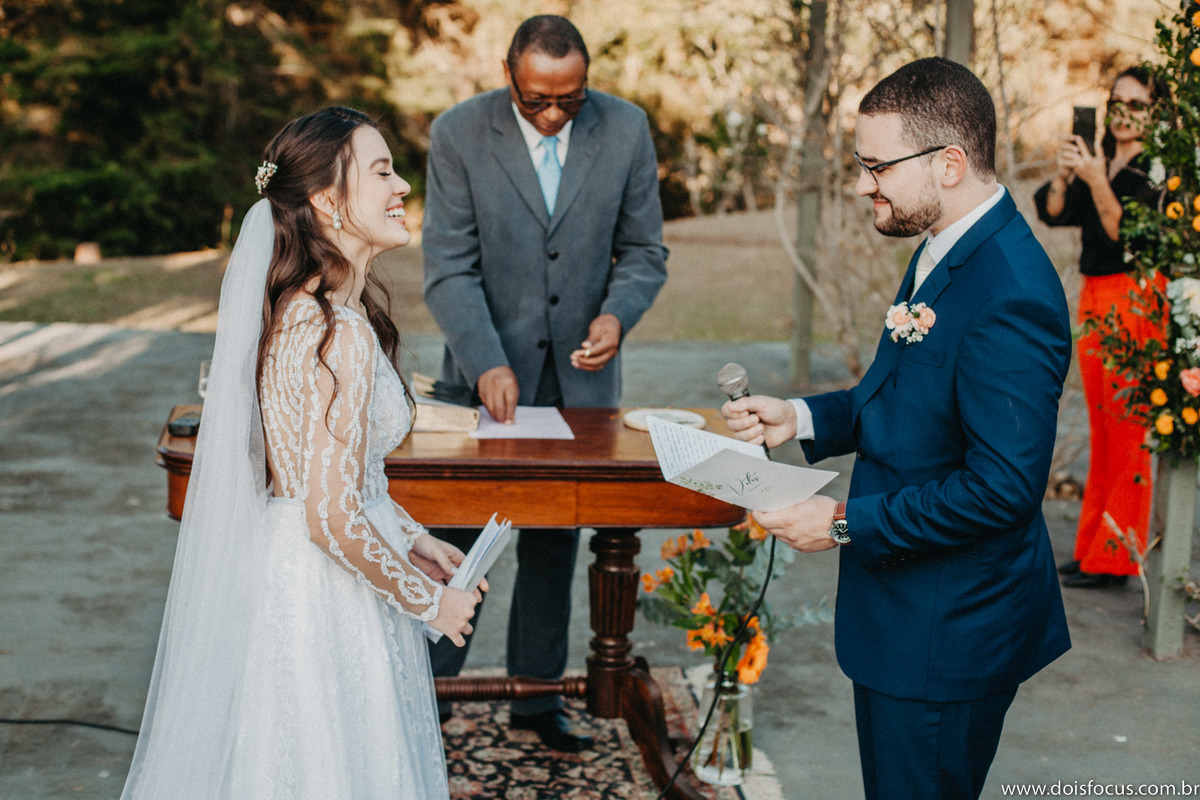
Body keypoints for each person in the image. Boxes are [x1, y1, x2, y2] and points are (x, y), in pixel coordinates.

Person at [722, 58, 1072, 800]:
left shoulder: (1010, 292)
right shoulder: (943, 246)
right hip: (905, 622)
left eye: (875, 165)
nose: (860, 185)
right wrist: (801, 417)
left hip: (947, 636)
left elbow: (1002, 490)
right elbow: (905, 397)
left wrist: (843, 521)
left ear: (949, 164)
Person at [120, 107, 482, 799]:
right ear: (325, 199)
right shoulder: (333, 332)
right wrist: (428, 605)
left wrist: (412, 536)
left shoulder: (300, 312)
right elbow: (329, 517)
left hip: (295, 573)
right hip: (326, 594)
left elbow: (316, 478)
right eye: (381, 171)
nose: (402, 184)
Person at [421, 14, 668, 752]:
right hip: (478, 379)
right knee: (451, 539)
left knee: (555, 543)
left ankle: (536, 700)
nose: (555, 114)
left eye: (571, 98)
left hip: (582, 392)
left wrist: (618, 317)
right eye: (537, 101)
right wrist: (486, 360)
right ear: (510, 78)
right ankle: (426, 691)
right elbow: (449, 268)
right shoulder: (457, 134)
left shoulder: (626, 130)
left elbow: (644, 251)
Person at [1034, 67, 1163, 589]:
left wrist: (1095, 179)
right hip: (1095, 298)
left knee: (1129, 430)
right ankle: (1094, 549)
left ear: (1155, 112)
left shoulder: (1156, 168)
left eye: (1138, 103)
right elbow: (1053, 211)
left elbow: (1125, 233)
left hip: (1137, 297)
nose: (1124, 112)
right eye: (1117, 101)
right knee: (1104, 431)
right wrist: (1070, 175)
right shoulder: (1099, 156)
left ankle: (1119, 557)